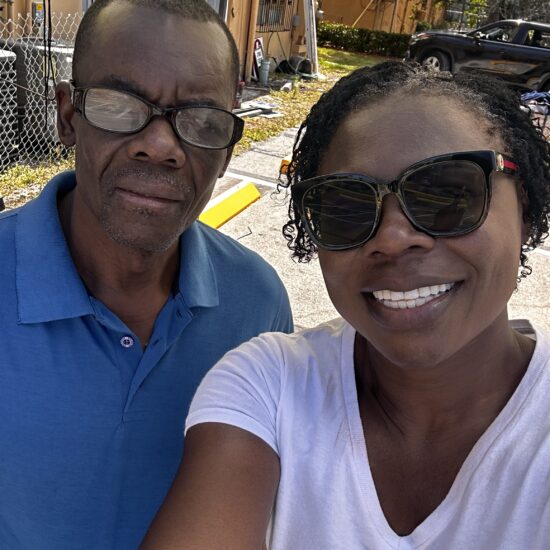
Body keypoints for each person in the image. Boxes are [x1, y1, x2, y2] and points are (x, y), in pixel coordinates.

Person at [142, 61, 550, 549]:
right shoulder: (270, 387)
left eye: (447, 195)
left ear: (525, 210)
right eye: (346, 207)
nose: (392, 239)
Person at [0, 0, 293, 548]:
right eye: (119, 105)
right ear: (67, 117)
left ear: (229, 148)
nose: (159, 146)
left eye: (201, 120)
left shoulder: (255, 306)